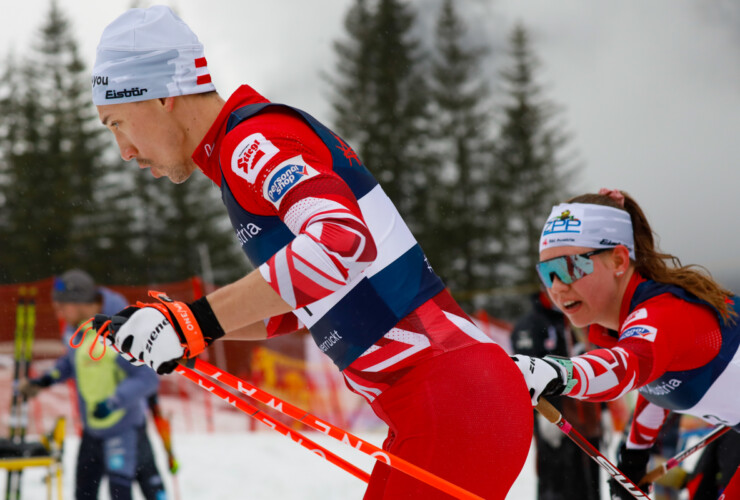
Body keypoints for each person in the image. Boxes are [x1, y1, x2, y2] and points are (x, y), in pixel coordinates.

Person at [86, 5, 533, 499]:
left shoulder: (249, 143)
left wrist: (196, 322)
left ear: (162, 95)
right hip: (442, 403)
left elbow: (342, 241)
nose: (123, 150)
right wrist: (181, 325)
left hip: (450, 399)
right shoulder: (240, 155)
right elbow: (307, 300)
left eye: (117, 123)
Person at [510, 188, 740, 499]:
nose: (557, 287)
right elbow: (658, 385)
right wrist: (635, 456)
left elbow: (627, 368)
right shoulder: (625, 325)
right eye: (547, 272)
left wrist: (556, 373)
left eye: (570, 267)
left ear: (619, 259)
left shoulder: (661, 314)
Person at [19, 269, 166, 500]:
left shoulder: (118, 329)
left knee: (128, 488)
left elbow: (147, 378)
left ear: (78, 302)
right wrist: (46, 380)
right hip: (92, 429)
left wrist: (114, 401)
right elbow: (72, 360)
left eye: (61, 306)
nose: (58, 313)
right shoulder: (77, 330)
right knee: (84, 493)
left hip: (124, 427)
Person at [510, 289, 603, 500]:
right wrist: (545, 415)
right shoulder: (532, 324)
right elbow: (527, 373)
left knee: (588, 481)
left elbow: (596, 365)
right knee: (558, 480)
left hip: (586, 417)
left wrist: (602, 409)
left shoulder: (579, 318)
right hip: (554, 416)